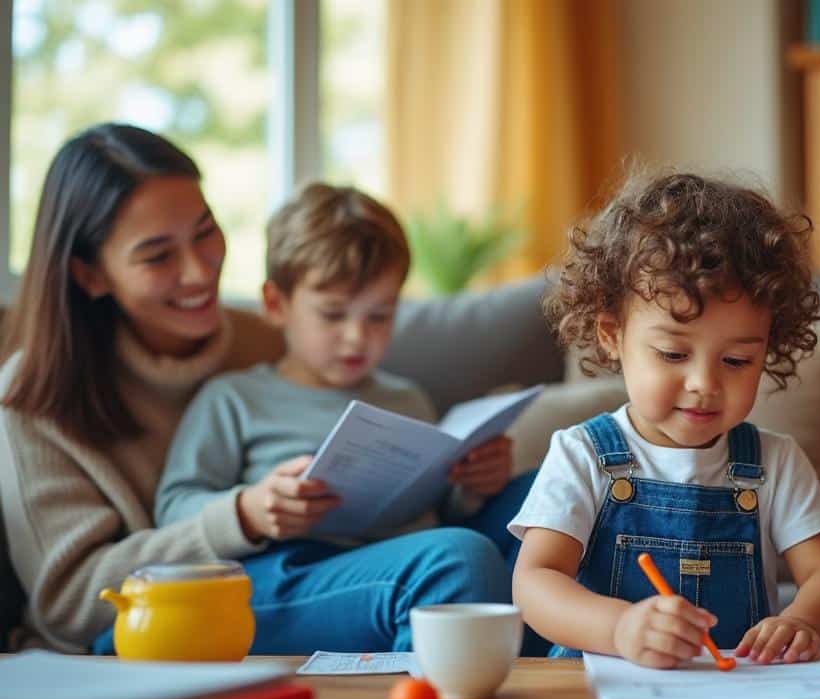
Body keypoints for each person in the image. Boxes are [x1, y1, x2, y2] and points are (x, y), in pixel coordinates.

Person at [0, 124, 500, 654]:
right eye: (157, 256)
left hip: (367, 562)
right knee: (456, 560)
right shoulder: (36, 397)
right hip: (179, 605)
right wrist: (241, 516)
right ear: (90, 275)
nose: (199, 273)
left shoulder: (270, 339)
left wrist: (470, 480)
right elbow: (70, 602)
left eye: (204, 231)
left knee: (558, 495)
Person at [152, 182, 527, 653]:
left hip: (402, 558)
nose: (356, 338)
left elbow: (436, 510)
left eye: (379, 316)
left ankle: (570, 660)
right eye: (333, 314)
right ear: (276, 304)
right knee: (457, 558)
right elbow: (172, 510)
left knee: (549, 492)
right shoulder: (236, 398)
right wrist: (251, 507)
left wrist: (473, 487)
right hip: (291, 573)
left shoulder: (407, 398)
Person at [510, 172, 820, 668]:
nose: (705, 384)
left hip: (737, 692)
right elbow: (536, 581)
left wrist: (804, 622)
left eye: (736, 361)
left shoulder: (775, 462)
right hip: (597, 689)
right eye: (673, 354)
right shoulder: (582, 453)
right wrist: (621, 628)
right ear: (612, 335)